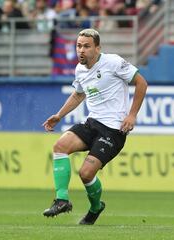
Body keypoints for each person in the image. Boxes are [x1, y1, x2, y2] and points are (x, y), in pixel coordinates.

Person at [42, 28, 147, 225]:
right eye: (78, 46)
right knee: (60, 147)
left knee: (86, 173)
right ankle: (62, 200)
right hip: (92, 123)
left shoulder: (114, 62)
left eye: (86, 46)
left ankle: (96, 207)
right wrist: (59, 115)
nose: (81, 50)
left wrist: (132, 115)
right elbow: (78, 94)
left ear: (97, 48)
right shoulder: (80, 69)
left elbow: (141, 83)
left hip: (114, 129)